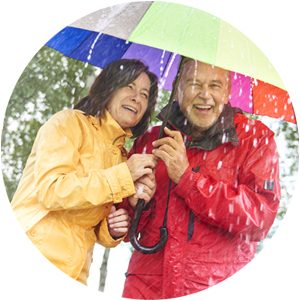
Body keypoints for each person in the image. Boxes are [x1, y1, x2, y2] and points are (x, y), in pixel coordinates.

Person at [122, 58, 281, 299]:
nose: (205, 95)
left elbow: (259, 218)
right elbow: (122, 223)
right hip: (146, 287)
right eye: (194, 84)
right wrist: (135, 204)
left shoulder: (255, 140)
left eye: (215, 86)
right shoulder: (150, 141)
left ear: (227, 91)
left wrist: (188, 180)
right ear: (178, 89)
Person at [11, 59, 158, 284]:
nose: (136, 98)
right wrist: (123, 176)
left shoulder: (122, 157)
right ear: (110, 87)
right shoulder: (68, 123)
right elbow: (52, 191)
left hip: (77, 271)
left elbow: (91, 222)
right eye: (129, 86)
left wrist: (112, 228)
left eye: (145, 94)